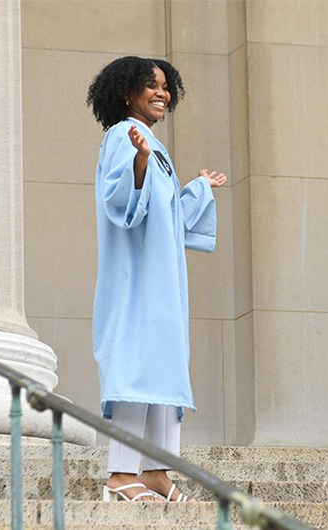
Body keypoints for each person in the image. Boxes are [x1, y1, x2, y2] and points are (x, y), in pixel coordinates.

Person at [87, 56, 227, 502]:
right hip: (136, 279)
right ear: (128, 91)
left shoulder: (156, 148)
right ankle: (120, 473)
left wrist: (200, 187)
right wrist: (140, 163)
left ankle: (157, 471)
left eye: (166, 86)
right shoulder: (121, 137)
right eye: (151, 85)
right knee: (135, 363)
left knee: (165, 368)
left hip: (163, 281)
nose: (161, 93)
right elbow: (122, 202)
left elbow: (172, 221)